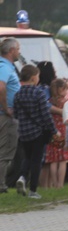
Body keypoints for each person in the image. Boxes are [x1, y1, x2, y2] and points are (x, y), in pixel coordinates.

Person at [13, 64, 59, 199]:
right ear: (34, 78)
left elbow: (16, 114)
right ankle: (33, 190)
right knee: (36, 161)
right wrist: (54, 130)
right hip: (38, 133)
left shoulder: (18, 94)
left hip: (23, 133)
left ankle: (22, 177)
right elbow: (45, 114)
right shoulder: (38, 93)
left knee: (27, 158)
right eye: (38, 76)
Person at [42, 78, 68, 188]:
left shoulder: (50, 102)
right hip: (63, 132)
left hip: (53, 132)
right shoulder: (65, 103)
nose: (66, 92)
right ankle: (60, 184)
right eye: (65, 89)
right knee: (63, 160)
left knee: (53, 161)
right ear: (61, 89)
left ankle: (54, 184)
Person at [0, 37, 21, 193]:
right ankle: (1, 185)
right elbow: (1, 87)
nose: (19, 52)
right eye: (18, 49)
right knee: (6, 151)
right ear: (11, 50)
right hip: (6, 116)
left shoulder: (6, 66)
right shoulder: (4, 66)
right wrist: (6, 108)